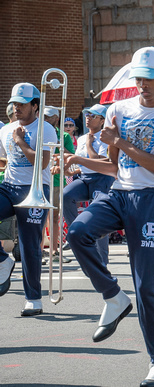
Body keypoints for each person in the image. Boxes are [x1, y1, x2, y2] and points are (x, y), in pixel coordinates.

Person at [65, 47, 154, 386]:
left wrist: (118, 138)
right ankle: (113, 296)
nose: (142, 84)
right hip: (118, 192)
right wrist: (78, 161)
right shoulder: (118, 108)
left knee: (146, 287)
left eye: (149, 78)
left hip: (152, 197)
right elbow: (115, 165)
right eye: (138, 77)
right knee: (77, 233)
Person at [0, 83, 58, 315]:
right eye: (14, 104)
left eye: (22, 104)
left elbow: (42, 164)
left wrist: (21, 142)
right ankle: (3, 261)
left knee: (29, 246)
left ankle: (33, 298)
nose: (16, 108)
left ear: (35, 106)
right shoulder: (6, 129)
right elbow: (3, 160)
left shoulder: (46, 129)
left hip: (35, 189)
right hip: (9, 186)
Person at [62, 104, 115, 265]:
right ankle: (76, 231)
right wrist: (73, 171)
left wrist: (91, 145)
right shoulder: (81, 138)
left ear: (101, 120)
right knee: (65, 196)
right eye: (87, 114)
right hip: (85, 178)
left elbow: (99, 161)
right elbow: (83, 163)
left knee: (98, 217)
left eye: (93, 115)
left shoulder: (107, 137)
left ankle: (102, 262)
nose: (88, 117)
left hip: (102, 179)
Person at [43, 106, 75, 263]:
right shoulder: (39, 132)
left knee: (54, 217)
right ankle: (40, 250)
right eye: (43, 116)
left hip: (56, 181)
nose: (45, 119)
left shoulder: (64, 136)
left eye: (49, 116)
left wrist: (58, 152)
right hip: (41, 181)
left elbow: (71, 156)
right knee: (39, 217)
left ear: (56, 118)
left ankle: (55, 251)